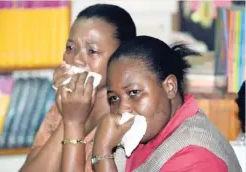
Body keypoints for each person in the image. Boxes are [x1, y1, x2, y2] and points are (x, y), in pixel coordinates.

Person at [92, 36, 242, 172]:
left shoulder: (197, 157)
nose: (122, 109)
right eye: (114, 98)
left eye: (134, 92)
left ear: (169, 87)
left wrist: (102, 154)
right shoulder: (135, 135)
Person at [20, 4, 136, 172]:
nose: (77, 60)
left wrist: (73, 122)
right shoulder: (65, 103)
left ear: (122, 56)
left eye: (92, 51)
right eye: (70, 48)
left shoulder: (127, 120)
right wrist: (67, 118)